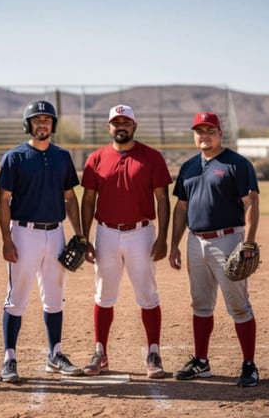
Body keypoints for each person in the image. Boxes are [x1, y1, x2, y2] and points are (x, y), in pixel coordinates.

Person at [168, 111, 261, 387]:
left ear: (220, 133)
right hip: (195, 241)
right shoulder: (188, 167)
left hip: (228, 240)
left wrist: (249, 242)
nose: (204, 135)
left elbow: (251, 203)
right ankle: (201, 361)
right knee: (200, 304)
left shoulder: (237, 164)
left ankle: (249, 365)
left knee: (238, 305)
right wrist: (173, 244)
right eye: (199, 131)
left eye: (210, 130)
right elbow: (181, 207)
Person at [79, 104, 172, 379]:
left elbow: (163, 199)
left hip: (141, 233)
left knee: (147, 294)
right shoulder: (96, 158)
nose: (121, 126)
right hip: (106, 232)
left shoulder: (152, 157)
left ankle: (153, 352)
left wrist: (163, 237)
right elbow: (88, 200)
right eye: (116, 122)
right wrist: (85, 237)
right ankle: (100, 353)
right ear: (109, 127)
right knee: (103, 295)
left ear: (134, 125)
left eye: (126, 122)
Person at [0, 100, 84, 383]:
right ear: (28, 124)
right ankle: (9, 358)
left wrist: (79, 233)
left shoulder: (62, 156)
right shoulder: (15, 157)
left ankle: (55, 354)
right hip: (24, 232)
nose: (42, 124)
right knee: (17, 298)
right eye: (37, 120)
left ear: (53, 125)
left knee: (55, 296)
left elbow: (70, 197)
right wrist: (7, 239)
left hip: (55, 232)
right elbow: (4, 200)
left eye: (47, 119)